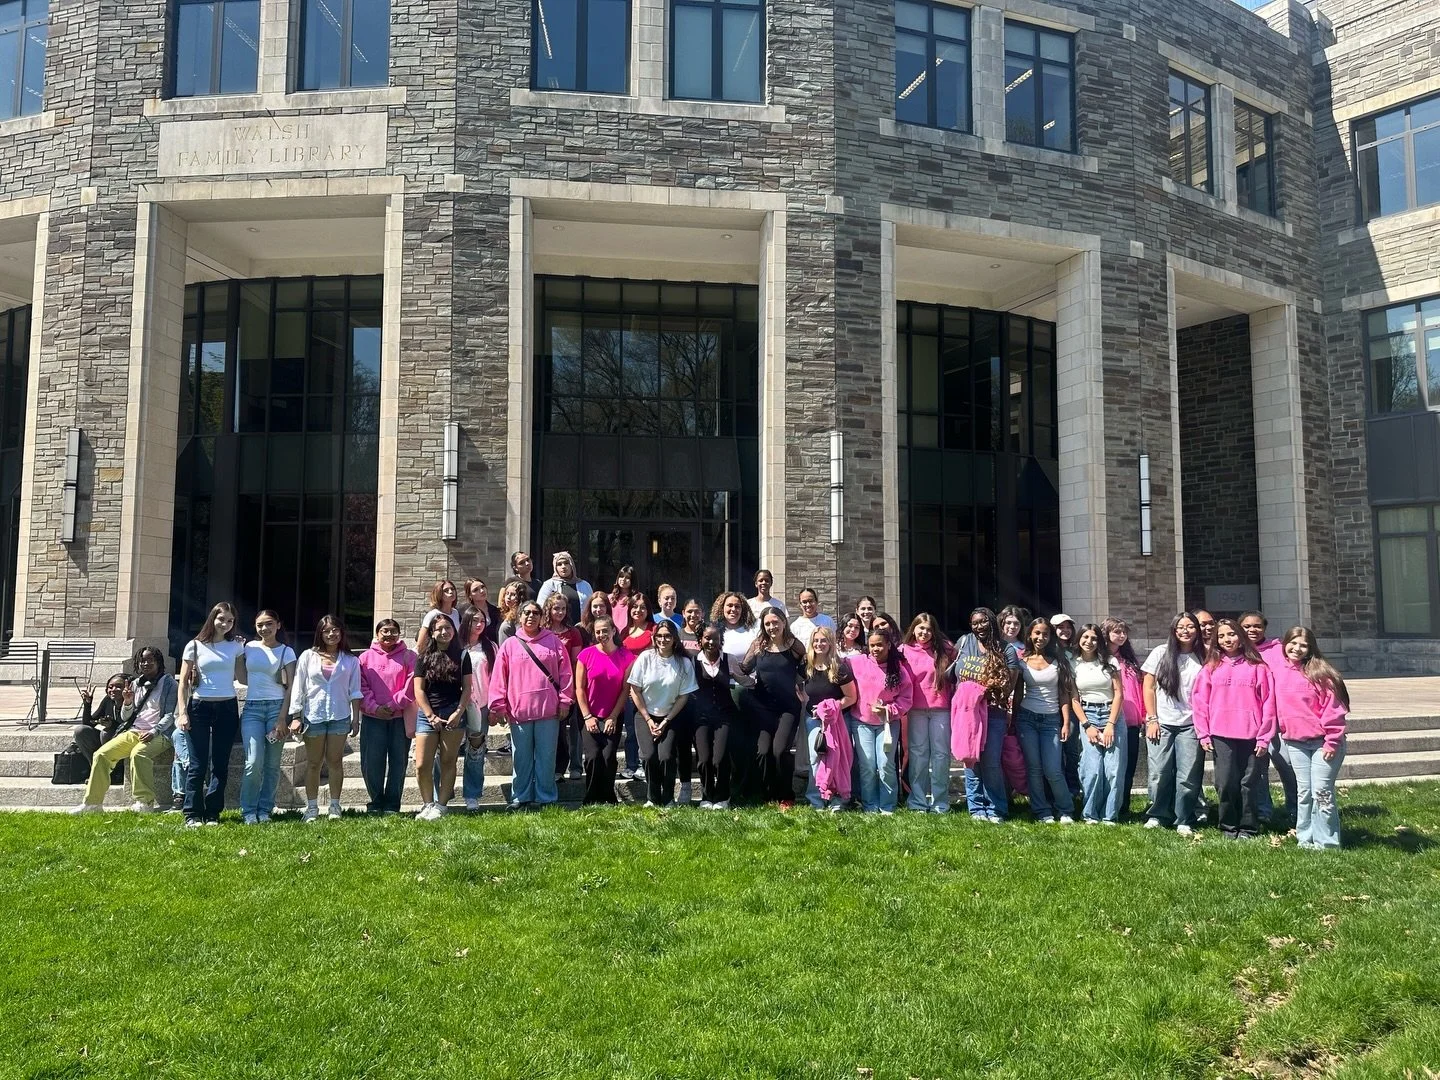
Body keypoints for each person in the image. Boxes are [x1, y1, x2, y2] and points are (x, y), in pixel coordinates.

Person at [1193, 618, 1277, 840]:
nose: (1226, 639)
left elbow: (1268, 703)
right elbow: (1200, 702)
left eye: (1231, 634)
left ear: (1240, 637)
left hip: (1252, 734)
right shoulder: (1210, 668)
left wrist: (1264, 737)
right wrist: (1203, 732)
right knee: (1225, 782)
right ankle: (1228, 826)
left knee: (1248, 783)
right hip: (1221, 734)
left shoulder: (1259, 668)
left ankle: (1248, 827)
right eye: (1221, 636)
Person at [69, 648, 177, 815]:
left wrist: (154, 732)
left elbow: (170, 715)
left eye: (150, 660)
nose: (146, 664)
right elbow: (126, 716)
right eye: (142, 661)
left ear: (159, 662)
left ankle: (145, 802)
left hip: (161, 733)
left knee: (139, 753)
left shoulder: (169, 684)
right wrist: (127, 702)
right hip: (134, 731)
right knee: (101, 755)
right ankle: (93, 804)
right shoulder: (134, 684)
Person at [488, 600, 574, 809]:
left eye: (535, 613)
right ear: (519, 616)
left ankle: (546, 797)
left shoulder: (553, 642)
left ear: (541, 616)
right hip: (519, 711)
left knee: (546, 756)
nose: (531, 616)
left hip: (548, 710)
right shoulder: (510, 644)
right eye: (526, 613)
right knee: (522, 757)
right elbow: (500, 676)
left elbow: (565, 674)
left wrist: (565, 701)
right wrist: (498, 706)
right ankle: (521, 796)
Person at [1273, 626, 1349, 850]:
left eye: (1303, 645)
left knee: (1322, 792)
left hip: (1323, 743)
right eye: (1292, 643)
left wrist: (1332, 740)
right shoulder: (1278, 671)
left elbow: (1334, 709)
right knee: (1304, 792)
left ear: (1310, 648)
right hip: (1295, 742)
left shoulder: (1320, 673)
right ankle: (1305, 838)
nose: (1296, 648)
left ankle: (1327, 842)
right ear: (1285, 644)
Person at [176, 602, 246, 827]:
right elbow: (183, 683)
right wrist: (182, 713)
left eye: (230, 621)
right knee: (197, 764)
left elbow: (243, 678)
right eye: (221, 619)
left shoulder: (235, 646)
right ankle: (192, 813)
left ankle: (213, 813)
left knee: (220, 764)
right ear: (212, 619)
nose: (225, 624)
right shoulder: (194, 645)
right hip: (200, 707)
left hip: (227, 706)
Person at [291, 615, 363, 823]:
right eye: (327, 631)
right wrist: (296, 715)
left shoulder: (350, 660)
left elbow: (355, 691)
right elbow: (299, 685)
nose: (331, 634)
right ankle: (311, 807)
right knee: (313, 763)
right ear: (320, 633)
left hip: (339, 715)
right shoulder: (308, 656)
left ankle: (334, 805)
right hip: (313, 716)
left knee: (335, 762)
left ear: (341, 633)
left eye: (335, 630)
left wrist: (355, 718)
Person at [951, 607, 1020, 822]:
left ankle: (996, 808)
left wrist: (982, 691)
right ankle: (976, 808)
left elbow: (1009, 683)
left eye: (983, 622)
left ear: (991, 622)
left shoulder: (1005, 649)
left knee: (990, 762)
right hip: (967, 712)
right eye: (975, 623)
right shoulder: (964, 643)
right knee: (970, 760)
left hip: (993, 712)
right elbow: (951, 670)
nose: (979, 626)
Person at [1142, 611, 1206, 835]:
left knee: (1188, 775)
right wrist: (1152, 718)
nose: (1185, 631)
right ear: (1174, 630)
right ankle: (1158, 814)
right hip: (1162, 721)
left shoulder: (1205, 655)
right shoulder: (1161, 652)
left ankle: (1184, 818)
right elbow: (1148, 686)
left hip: (1192, 724)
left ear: (1197, 630)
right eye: (1180, 627)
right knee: (1159, 772)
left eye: (1190, 627)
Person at [739, 606, 806, 804]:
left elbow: (806, 668)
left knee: (779, 751)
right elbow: (744, 668)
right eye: (767, 623)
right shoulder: (759, 645)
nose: (771, 626)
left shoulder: (795, 646)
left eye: (775, 622)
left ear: (784, 622)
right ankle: (767, 794)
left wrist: (800, 686)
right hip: (763, 708)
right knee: (762, 751)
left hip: (787, 708)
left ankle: (786, 796)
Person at [627, 621, 698, 807]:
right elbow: (635, 690)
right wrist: (648, 719)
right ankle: (652, 797)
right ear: (654, 637)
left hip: (671, 716)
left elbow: (684, 696)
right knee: (649, 756)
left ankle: (667, 798)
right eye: (659, 636)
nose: (663, 639)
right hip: (645, 715)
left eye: (667, 636)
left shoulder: (683, 663)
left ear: (674, 639)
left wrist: (666, 721)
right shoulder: (645, 658)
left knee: (666, 756)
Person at [1014, 618, 1077, 824]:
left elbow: (1064, 695)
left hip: (1051, 721)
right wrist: (1013, 720)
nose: (1041, 637)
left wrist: (1065, 722)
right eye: (1037, 633)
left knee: (1053, 769)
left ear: (1050, 637)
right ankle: (1042, 811)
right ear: (1030, 635)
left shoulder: (1058, 661)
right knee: (1034, 769)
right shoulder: (1022, 661)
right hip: (1027, 719)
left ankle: (1066, 809)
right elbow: (1017, 695)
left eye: (1045, 634)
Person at [238, 610, 297, 824]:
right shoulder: (249, 648)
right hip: (252, 708)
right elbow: (242, 678)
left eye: (269, 624)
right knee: (253, 762)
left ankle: (265, 809)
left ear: (278, 625)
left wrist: (283, 718)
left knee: (272, 765)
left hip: (276, 709)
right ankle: (248, 810)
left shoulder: (287, 652)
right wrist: (237, 653)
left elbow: (291, 687)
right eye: (260, 625)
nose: (264, 629)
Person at [1240, 609, 1298, 825]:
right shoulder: (1238, 653)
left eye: (1257, 626)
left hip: (1279, 719)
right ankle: (1264, 810)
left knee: (1287, 767)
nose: (1252, 630)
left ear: (1264, 628)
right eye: (1247, 626)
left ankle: (1296, 808)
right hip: (1253, 722)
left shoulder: (1279, 650)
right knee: (1258, 771)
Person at [848, 630, 913, 813]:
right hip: (861, 722)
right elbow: (836, 668)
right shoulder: (857, 662)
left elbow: (906, 698)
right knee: (867, 764)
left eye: (879, 645)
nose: (875, 649)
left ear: (888, 645)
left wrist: (889, 710)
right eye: (872, 645)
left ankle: (887, 806)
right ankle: (870, 805)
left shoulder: (898, 669)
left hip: (887, 723)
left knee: (885, 764)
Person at [412, 612, 468, 820]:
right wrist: (430, 715)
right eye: (439, 629)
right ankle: (427, 804)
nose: (444, 632)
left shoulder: (462, 655)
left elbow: (467, 688)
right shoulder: (423, 657)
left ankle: (442, 805)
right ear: (432, 633)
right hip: (428, 715)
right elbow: (419, 690)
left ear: (454, 631)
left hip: (453, 712)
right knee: (421, 764)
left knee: (448, 761)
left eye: (448, 628)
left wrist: (458, 712)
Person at [358, 619, 416, 816]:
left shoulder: (409, 657)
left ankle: (392, 803)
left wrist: (392, 705)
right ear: (377, 634)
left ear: (399, 634)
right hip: (373, 718)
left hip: (399, 717)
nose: (389, 635)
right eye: (385, 631)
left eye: (393, 631)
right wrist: (375, 708)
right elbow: (361, 687)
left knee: (398, 762)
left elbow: (411, 685)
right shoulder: (365, 658)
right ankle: (376, 801)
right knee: (371, 761)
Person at [900, 613, 956, 814]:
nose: (924, 633)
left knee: (941, 755)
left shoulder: (944, 649)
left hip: (940, 709)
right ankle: (918, 801)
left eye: (928, 629)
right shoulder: (903, 650)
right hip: (915, 710)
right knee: (918, 755)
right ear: (913, 628)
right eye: (920, 628)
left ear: (934, 631)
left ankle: (940, 802)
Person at [1072, 623, 1126, 825]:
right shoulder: (1073, 664)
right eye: (1085, 637)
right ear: (1079, 639)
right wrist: (1087, 726)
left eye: (1093, 638)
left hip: (1111, 714)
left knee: (1113, 768)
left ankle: (1110, 815)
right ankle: (1090, 814)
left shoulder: (1110, 661)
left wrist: (1111, 724)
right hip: (1088, 716)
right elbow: (1074, 699)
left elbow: (1119, 693)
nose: (1089, 642)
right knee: (1092, 768)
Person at [574, 615, 632, 804]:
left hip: (613, 715)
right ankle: (591, 798)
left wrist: (613, 717)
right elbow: (579, 688)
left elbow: (625, 690)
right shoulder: (586, 655)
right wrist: (587, 716)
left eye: (605, 631)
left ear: (614, 631)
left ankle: (608, 797)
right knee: (592, 756)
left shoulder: (626, 657)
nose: (601, 635)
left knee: (608, 757)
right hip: (589, 714)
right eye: (598, 632)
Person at [800, 625, 857, 811]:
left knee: (837, 759)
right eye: (816, 640)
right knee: (815, 758)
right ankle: (816, 799)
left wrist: (829, 709)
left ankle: (836, 800)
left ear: (830, 643)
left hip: (837, 721)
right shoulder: (806, 667)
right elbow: (798, 687)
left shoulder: (839, 668)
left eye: (823, 640)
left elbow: (851, 697)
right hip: (813, 720)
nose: (819, 644)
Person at [690, 622, 739, 809]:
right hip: (700, 718)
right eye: (707, 638)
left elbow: (744, 678)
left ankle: (722, 796)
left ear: (721, 640)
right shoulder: (693, 662)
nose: (711, 641)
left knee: (720, 758)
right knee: (703, 759)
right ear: (700, 640)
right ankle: (707, 796)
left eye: (715, 638)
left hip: (724, 716)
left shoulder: (729, 659)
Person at [1101, 617, 1146, 819]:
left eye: (1123, 632)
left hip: (1132, 721)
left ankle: (1123, 806)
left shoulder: (1129, 661)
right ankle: (1106, 805)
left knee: (1128, 767)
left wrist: (1144, 715)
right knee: (1110, 768)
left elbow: (1140, 689)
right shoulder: (1100, 659)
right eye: (1116, 632)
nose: (1121, 635)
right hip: (1109, 720)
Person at [544, 592, 586, 781]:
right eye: (556, 608)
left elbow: (576, 662)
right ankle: (557, 767)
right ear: (549, 609)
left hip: (570, 684)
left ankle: (576, 766)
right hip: (548, 687)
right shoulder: (542, 631)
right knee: (557, 729)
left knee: (575, 728)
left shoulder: (573, 632)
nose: (559, 612)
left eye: (563, 608)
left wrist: (576, 688)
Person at [459, 608, 497, 811]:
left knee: (475, 752)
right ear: (466, 621)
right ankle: (440, 795)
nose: (480, 624)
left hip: (481, 706)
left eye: (483, 620)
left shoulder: (490, 647)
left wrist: (494, 706)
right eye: (475, 620)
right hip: (455, 706)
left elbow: (497, 678)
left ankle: (472, 795)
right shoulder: (456, 645)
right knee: (444, 752)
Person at [618, 592, 656, 779]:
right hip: (627, 686)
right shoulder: (624, 632)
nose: (638, 610)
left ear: (648, 610)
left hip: (647, 687)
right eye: (635, 607)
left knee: (643, 726)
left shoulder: (653, 629)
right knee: (630, 728)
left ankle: (643, 763)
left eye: (642, 607)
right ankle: (631, 764)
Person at [1049, 612, 1081, 805]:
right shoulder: (1048, 652)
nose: (1065, 630)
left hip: (1074, 706)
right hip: (1052, 706)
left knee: (1072, 750)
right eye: (1061, 627)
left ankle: (1073, 788)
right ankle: (1056, 790)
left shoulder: (1075, 652)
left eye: (1068, 627)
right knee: (1055, 751)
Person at [72, 674, 128, 768]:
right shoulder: (108, 700)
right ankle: (96, 769)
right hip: (108, 742)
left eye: (118, 687)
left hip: (124, 743)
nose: (113, 690)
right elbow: (88, 723)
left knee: (105, 733)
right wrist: (87, 703)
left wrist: (112, 725)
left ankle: (114, 770)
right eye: (110, 687)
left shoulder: (132, 702)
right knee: (81, 731)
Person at [536, 550, 593, 628]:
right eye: (559, 564)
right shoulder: (549, 585)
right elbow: (540, 608)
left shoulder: (585, 585)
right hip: (558, 630)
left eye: (566, 563)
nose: (563, 566)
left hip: (583, 629)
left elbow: (592, 607)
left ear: (572, 565)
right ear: (555, 567)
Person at [416, 579, 461, 654]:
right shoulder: (432, 615)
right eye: (446, 590)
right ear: (439, 594)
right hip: (435, 656)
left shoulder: (456, 613)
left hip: (453, 655)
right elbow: (420, 645)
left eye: (452, 589)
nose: (451, 592)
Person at [460, 578, 501, 645]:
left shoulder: (496, 611)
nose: (482, 591)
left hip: (492, 650)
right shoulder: (463, 612)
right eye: (476, 590)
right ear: (470, 595)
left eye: (483, 587)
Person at [607, 565, 637, 634]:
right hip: (612, 633)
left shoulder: (636, 598)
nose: (623, 579)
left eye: (627, 578)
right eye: (621, 576)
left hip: (629, 633)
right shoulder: (610, 597)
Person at [496, 579, 527, 644]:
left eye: (513, 594)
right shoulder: (504, 612)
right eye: (507, 593)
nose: (508, 597)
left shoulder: (520, 615)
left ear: (520, 597)